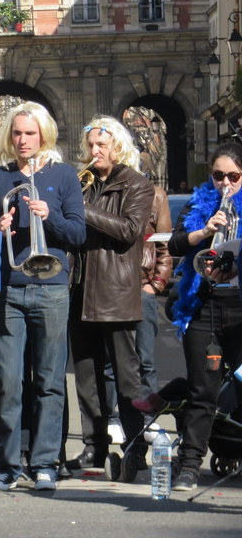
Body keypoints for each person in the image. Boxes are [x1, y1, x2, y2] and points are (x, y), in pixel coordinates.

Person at [0, 102, 85, 491]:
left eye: (31, 133)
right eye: (18, 133)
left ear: (44, 135)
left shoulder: (63, 175)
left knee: (50, 381)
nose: (23, 140)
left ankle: (44, 463)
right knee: (7, 381)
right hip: (9, 289)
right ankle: (8, 464)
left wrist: (49, 217)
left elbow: (78, 234)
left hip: (51, 288)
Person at [139, 143, 242, 491]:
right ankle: (189, 466)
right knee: (202, 390)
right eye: (218, 175)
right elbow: (173, 243)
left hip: (240, 307)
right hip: (204, 306)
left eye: (233, 176)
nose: (225, 183)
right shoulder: (200, 204)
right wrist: (205, 232)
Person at [67, 116, 154, 474]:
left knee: (126, 377)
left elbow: (129, 230)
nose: (94, 151)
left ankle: (135, 448)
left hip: (115, 292)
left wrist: (82, 209)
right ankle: (94, 447)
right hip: (80, 289)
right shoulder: (81, 182)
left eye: (101, 144)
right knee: (87, 377)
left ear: (118, 146)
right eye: (90, 145)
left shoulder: (137, 184)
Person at [104, 181, 173, 444]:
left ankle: (148, 418)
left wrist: (155, 285)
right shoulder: (107, 192)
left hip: (142, 286)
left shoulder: (156, 195)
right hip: (111, 287)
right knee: (110, 360)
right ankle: (112, 418)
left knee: (145, 359)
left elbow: (165, 245)